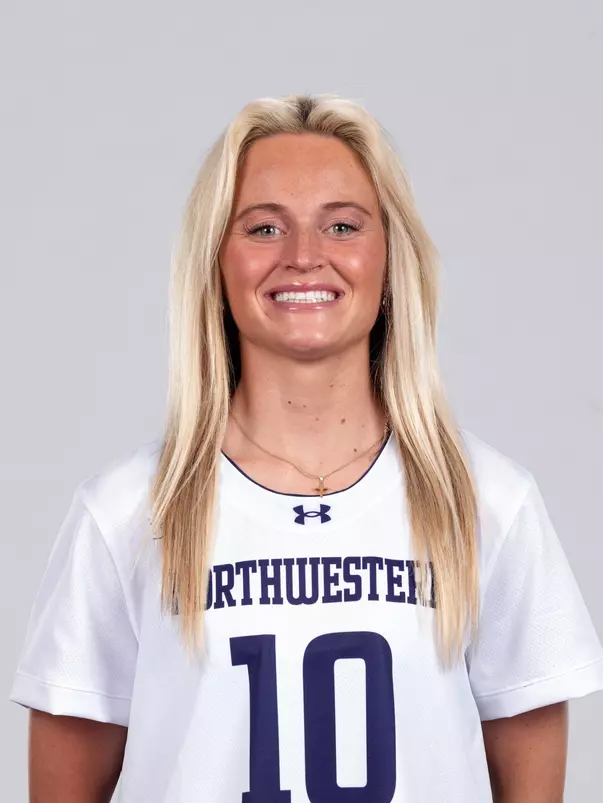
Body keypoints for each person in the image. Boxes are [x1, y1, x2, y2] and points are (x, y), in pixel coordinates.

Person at [9, 93, 603, 803]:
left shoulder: (486, 501)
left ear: (388, 258)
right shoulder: (127, 512)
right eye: (263, 228)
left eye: (342, 225)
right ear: (215, 262)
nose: (303, 258)